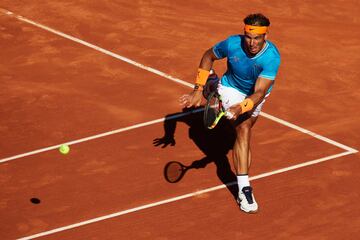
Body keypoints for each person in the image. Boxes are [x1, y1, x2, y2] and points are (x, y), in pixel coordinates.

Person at [179, 13, 281, 213]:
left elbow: (259, 93)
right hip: (231, 88)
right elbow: (208, 56)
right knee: (243, 129)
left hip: (254, 95)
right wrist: (196, 90)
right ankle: (244, 189)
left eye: (257, 38)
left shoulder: (272, 58)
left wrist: (240, 107)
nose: (252, 43)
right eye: (248, 37)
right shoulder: (232, 44)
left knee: (246, 125)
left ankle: (212, 87)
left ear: (265, 37)